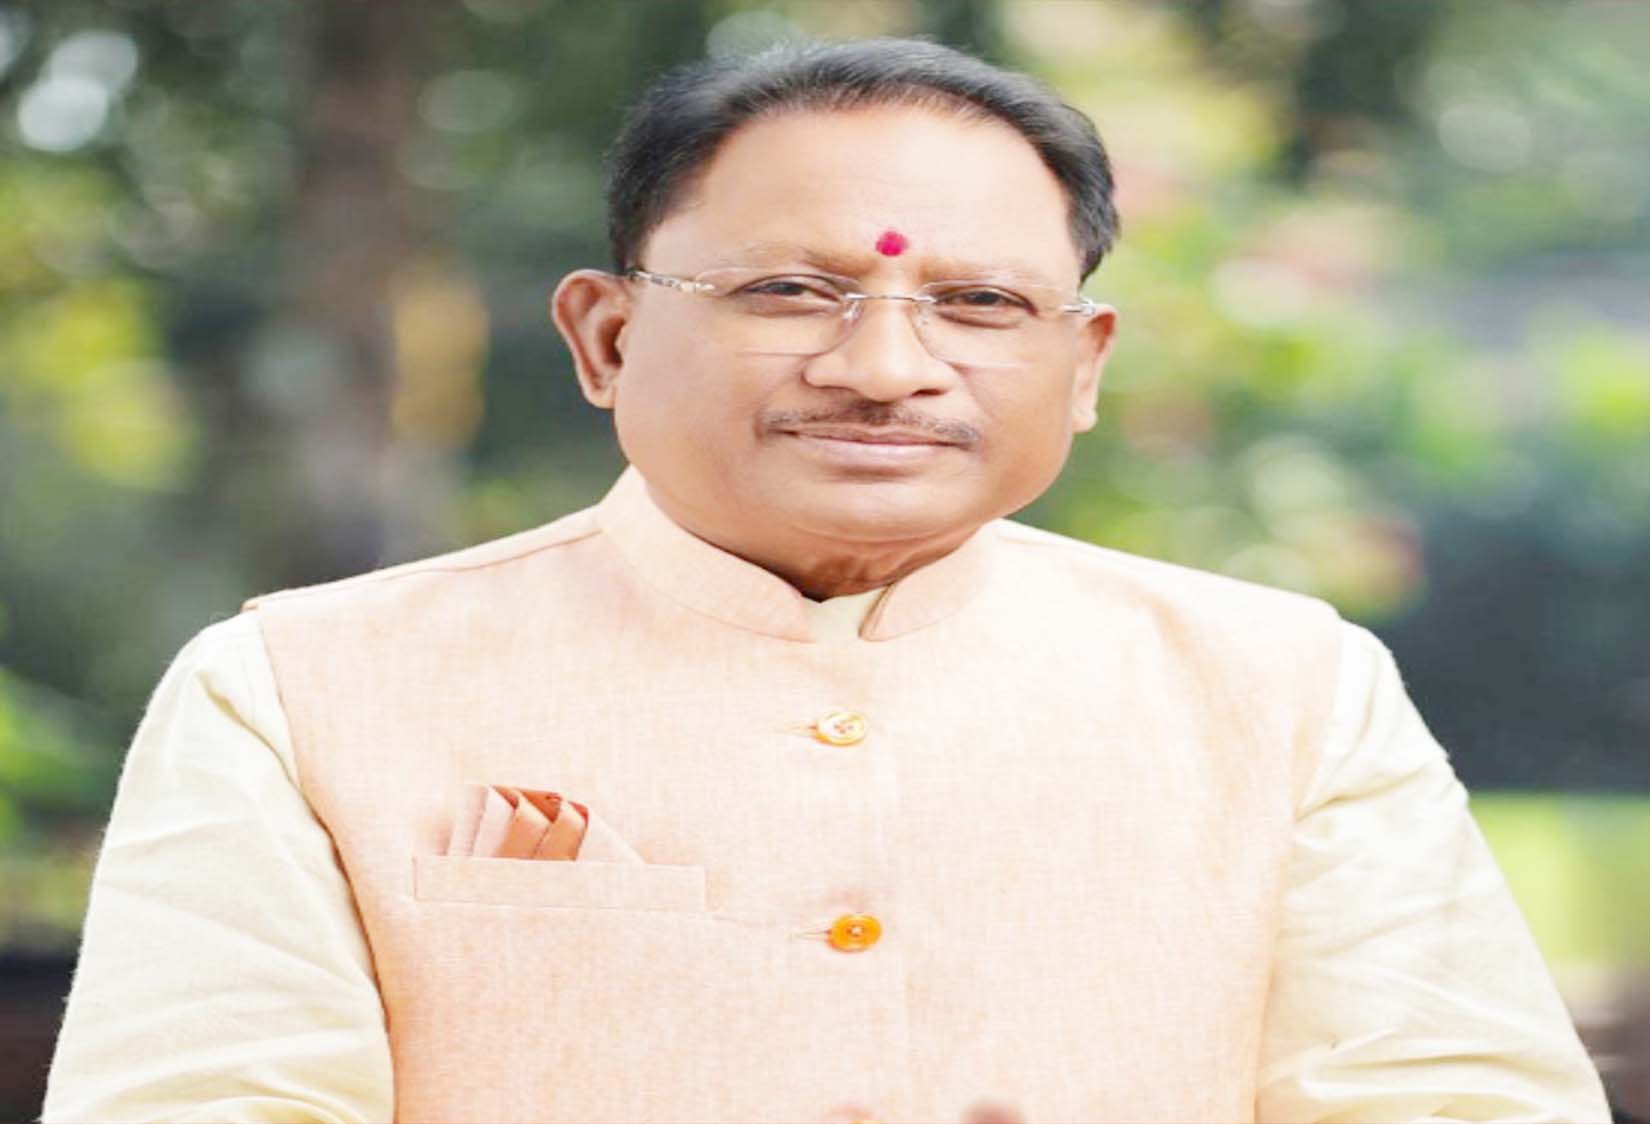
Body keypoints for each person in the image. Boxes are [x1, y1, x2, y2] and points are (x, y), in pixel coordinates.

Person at [42, 37, 1610, 1124]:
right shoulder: (303, 690)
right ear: (605, 336)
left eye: (978, 303)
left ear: (1081, 366)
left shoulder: (1279, 689)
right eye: (791, 289)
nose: (883, 368)